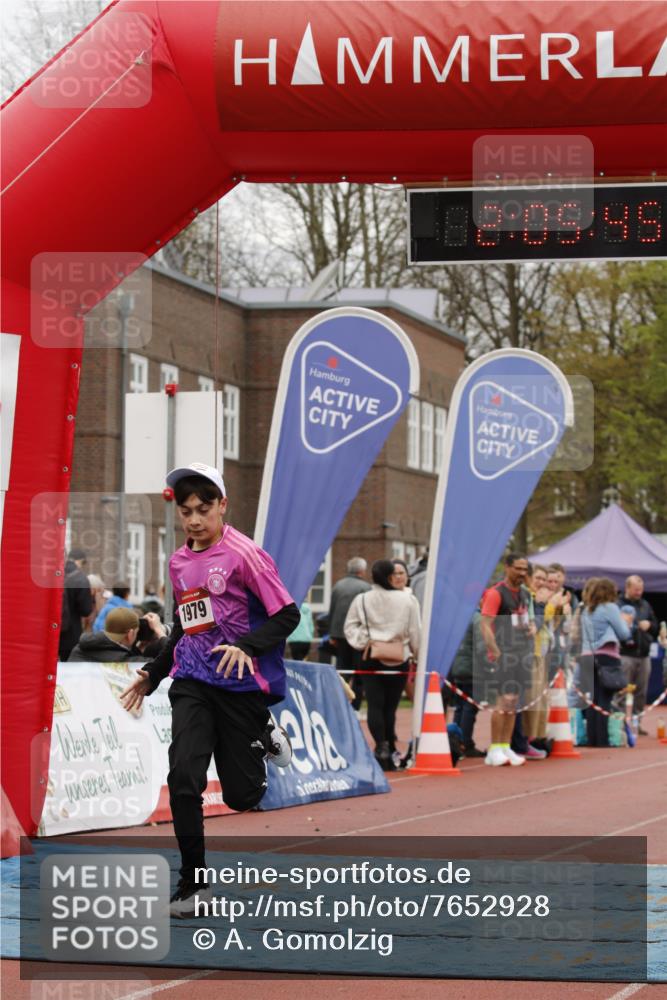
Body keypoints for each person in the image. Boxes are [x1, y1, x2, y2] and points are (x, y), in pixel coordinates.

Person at [119, 462, 299, 918]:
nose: (195, 520)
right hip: (193, 682)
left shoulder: (246, 555)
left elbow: (287, 615)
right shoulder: (179, 562)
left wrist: (245, 646)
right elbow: (186, 625)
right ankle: (193, 884)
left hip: (240, 686)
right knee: (183, 778)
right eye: (187, 512)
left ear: (223, 506)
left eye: (204, 509)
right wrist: (155, 673)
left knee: (242, 797)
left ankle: (264, 729)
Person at [344, 559, 420, 771]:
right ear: (390, 576)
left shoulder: (362, 599)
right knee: (390, 706)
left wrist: (364, 641)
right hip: (398, 656)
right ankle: (390, 747)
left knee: (375, 704)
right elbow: (415, 631)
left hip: (370, 655)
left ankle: (381, 747)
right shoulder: (408, 600)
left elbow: (349, 627)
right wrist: (416, 654)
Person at [479, 553, 537, 767]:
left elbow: (527, 619)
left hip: (522, 654)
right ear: (507, 567)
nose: (522, 573)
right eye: (518, 568)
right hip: (504, 654)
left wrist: (531, 628)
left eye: (524, 569)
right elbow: (485, 625)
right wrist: (496, 652)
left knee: (514, 702)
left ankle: (505, 745)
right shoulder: (496, 593)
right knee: (503, 702)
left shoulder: (525, 594)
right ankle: (494, 748)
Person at [581, 578, 632, 747]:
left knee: (593, 699)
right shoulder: (610, 608)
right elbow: (623, 634)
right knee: (605, 698)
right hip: (605, 655)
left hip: (587, 655)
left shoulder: (586, 610)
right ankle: (602, 739)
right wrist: (626, 622)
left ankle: (593, 738)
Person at [328, 557, 371, 711]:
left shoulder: (338, 585)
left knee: (342, 671)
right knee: (359, 673)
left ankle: (339, 704)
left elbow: (331, 610)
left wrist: (331, 634)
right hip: (358, 636)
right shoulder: (366, 587)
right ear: (362, 571)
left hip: (340, 635)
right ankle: (356, 707)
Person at [618, 575, 658, 732]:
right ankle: (620, 724)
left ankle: (637, 723)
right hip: (625, 654)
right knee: (621, 690)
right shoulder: (618, 604)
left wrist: (650, 625)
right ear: (627, 588)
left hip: (644, 655)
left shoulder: (645, 605)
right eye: (636, 589)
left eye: (641, 590)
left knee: (641, 692)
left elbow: (655, 625)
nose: (639, 593)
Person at [447, 609, 487, 758]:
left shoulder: (459, 616)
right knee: (470, 707)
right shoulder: (477, 618)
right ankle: (465, 743)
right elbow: (482, 647)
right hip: (472, 667)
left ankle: (455, 741)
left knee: (460, 707)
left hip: (458, 666)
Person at [68, 607, 146, 662]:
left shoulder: (78, 649)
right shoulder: (126, 660)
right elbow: (152, 667)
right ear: (130, 634)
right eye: (136, 632)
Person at [58, 548, 94, 661]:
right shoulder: (81, 578)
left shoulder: (55, 573)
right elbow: (86, 610)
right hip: (71, 634)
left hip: (52, 631)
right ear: (80, 561)